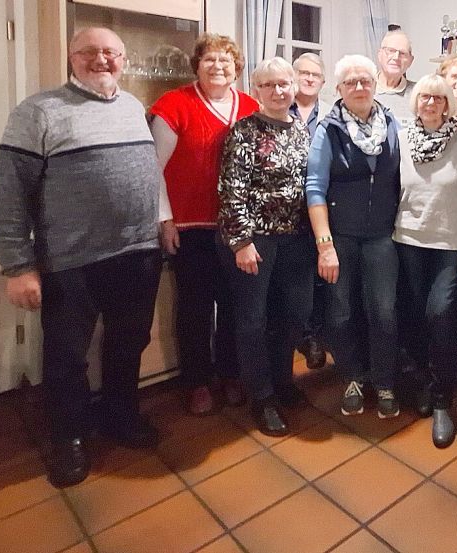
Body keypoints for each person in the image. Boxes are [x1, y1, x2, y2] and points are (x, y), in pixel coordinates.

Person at [0, 27, 163, 487]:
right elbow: (6, 195)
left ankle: (120, 416)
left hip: (137, 253)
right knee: (66, 358)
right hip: (70, 262)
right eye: (90, 52)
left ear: (124, 59)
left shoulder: (133, 108)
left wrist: (160, 226)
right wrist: (19, 266)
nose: (101, 60)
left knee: (129, 343)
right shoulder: (39, 111)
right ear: (71, 57)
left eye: (111, 52)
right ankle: (69, 438)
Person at [150, 33, 259, 415]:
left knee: (233, 305)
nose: (218, 66)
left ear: (237, 69)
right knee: (195, 306)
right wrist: (165, 220)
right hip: (191, 225)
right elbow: (153, 170)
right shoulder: (174, 105)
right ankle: (196, 381)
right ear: (196, 65)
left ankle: (230, 372)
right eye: (210, 59)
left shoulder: (250, 105)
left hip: (237, 228)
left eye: (226, 61)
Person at [217, 57, 314, 437]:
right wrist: (241, 241)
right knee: (253, 320)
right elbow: (231, 191)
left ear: (294, 87)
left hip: (297, 239)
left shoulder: (301, 128)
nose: (277, 91)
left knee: (294, 313)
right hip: (254, 241)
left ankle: (283, 380)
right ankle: (262, 396)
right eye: (268, 85)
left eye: (283, 84)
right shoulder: (243, 131)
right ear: (255, 91)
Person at [305, 55, 402, 420]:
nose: (359, 87)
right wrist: (324, 245)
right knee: (342, 311)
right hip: (340, 237)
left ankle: (385, 380)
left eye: (365, 81)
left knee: (384, 311)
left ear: (375, 84)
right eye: (351, 82)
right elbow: (315, 187)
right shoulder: (328, 130)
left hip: (382, 236)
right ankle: (352, 377)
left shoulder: (392, 122)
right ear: (339, 89)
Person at [395, 74, 457, 447]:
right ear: (416, 103)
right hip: (406, 241)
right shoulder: (398, 141)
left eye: (437, 98)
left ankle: (443, 400)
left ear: (447, 104)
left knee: (441, 315)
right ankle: (422, 382)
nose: (430, 103)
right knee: (414, 317)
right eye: (424, 97)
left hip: (449, 245)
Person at [290, 52, 332, 370]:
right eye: (302, 72)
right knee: (294, 278)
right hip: (285, 208)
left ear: (322, 82)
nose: (308, 78)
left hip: (320, 206)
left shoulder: (331, 116)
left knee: (320, 276)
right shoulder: (276, 109)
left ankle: (316, 336)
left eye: (314, 74)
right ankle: (297, 335)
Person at [374, 30, 416, 127]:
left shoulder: (420, 94)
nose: (396, 57)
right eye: (391, 51)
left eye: (402, 53)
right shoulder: (361, 90)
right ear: (380, 54)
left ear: (410, 60)